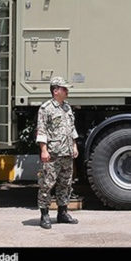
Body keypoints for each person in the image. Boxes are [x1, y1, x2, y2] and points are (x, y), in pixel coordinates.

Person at [35, 76, 79, 230]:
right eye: (64, 88)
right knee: (47, 185)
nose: (67, 91)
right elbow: (41, 130)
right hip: (53, 154)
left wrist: (74, 146)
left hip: (66, 153)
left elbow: (71, 129)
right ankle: (45, 215)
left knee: (65, 184)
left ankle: (62, 213)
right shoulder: (46, 108)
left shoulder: (67, 107)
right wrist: (44, 150)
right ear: (55, 91)